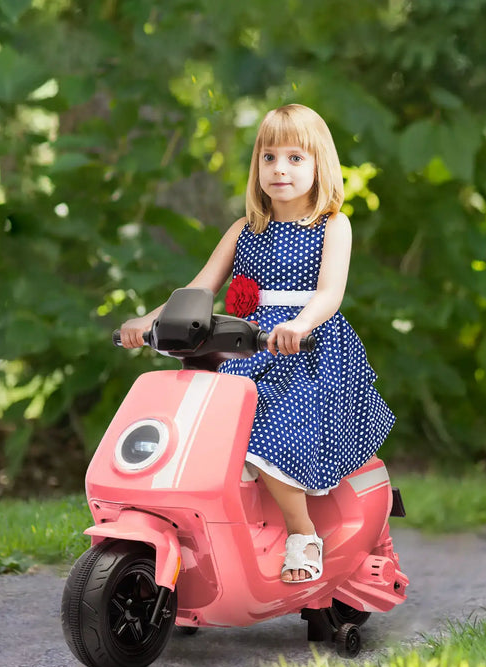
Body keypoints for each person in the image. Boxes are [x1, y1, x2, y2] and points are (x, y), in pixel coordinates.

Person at [120, 104, 395, 583]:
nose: (280, 169)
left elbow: (329, 294)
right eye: (269, 158)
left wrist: (301, 324)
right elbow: (200, 287)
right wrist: (148, 319)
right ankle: (220, 528)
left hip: (309, 352)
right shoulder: (245, 229)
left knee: (271, 431)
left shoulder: (332, 224)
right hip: (249, 349)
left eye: (295, 158)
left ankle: (302, 534)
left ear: (319, 165)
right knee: (207, 424)